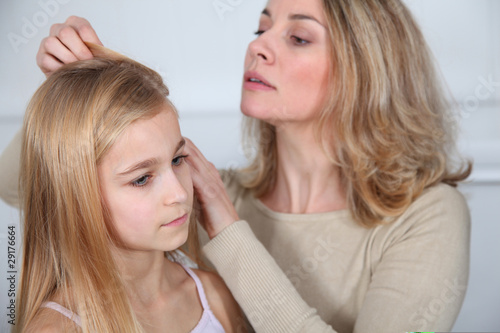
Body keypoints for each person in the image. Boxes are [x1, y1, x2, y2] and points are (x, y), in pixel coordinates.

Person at [0, 0, 472, 332]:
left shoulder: (429, 215)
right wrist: (69, 95)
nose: (259, 46)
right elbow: (19, 188)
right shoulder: (193, 194)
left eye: (299, 37)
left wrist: (229, 231)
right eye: (260, 28)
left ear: (368, 70)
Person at [13, 44, 244, 332]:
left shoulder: (213, 295)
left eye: (177, 159)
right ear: (78, 196)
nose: (180, 194)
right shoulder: (57, 328)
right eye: (141, 178)